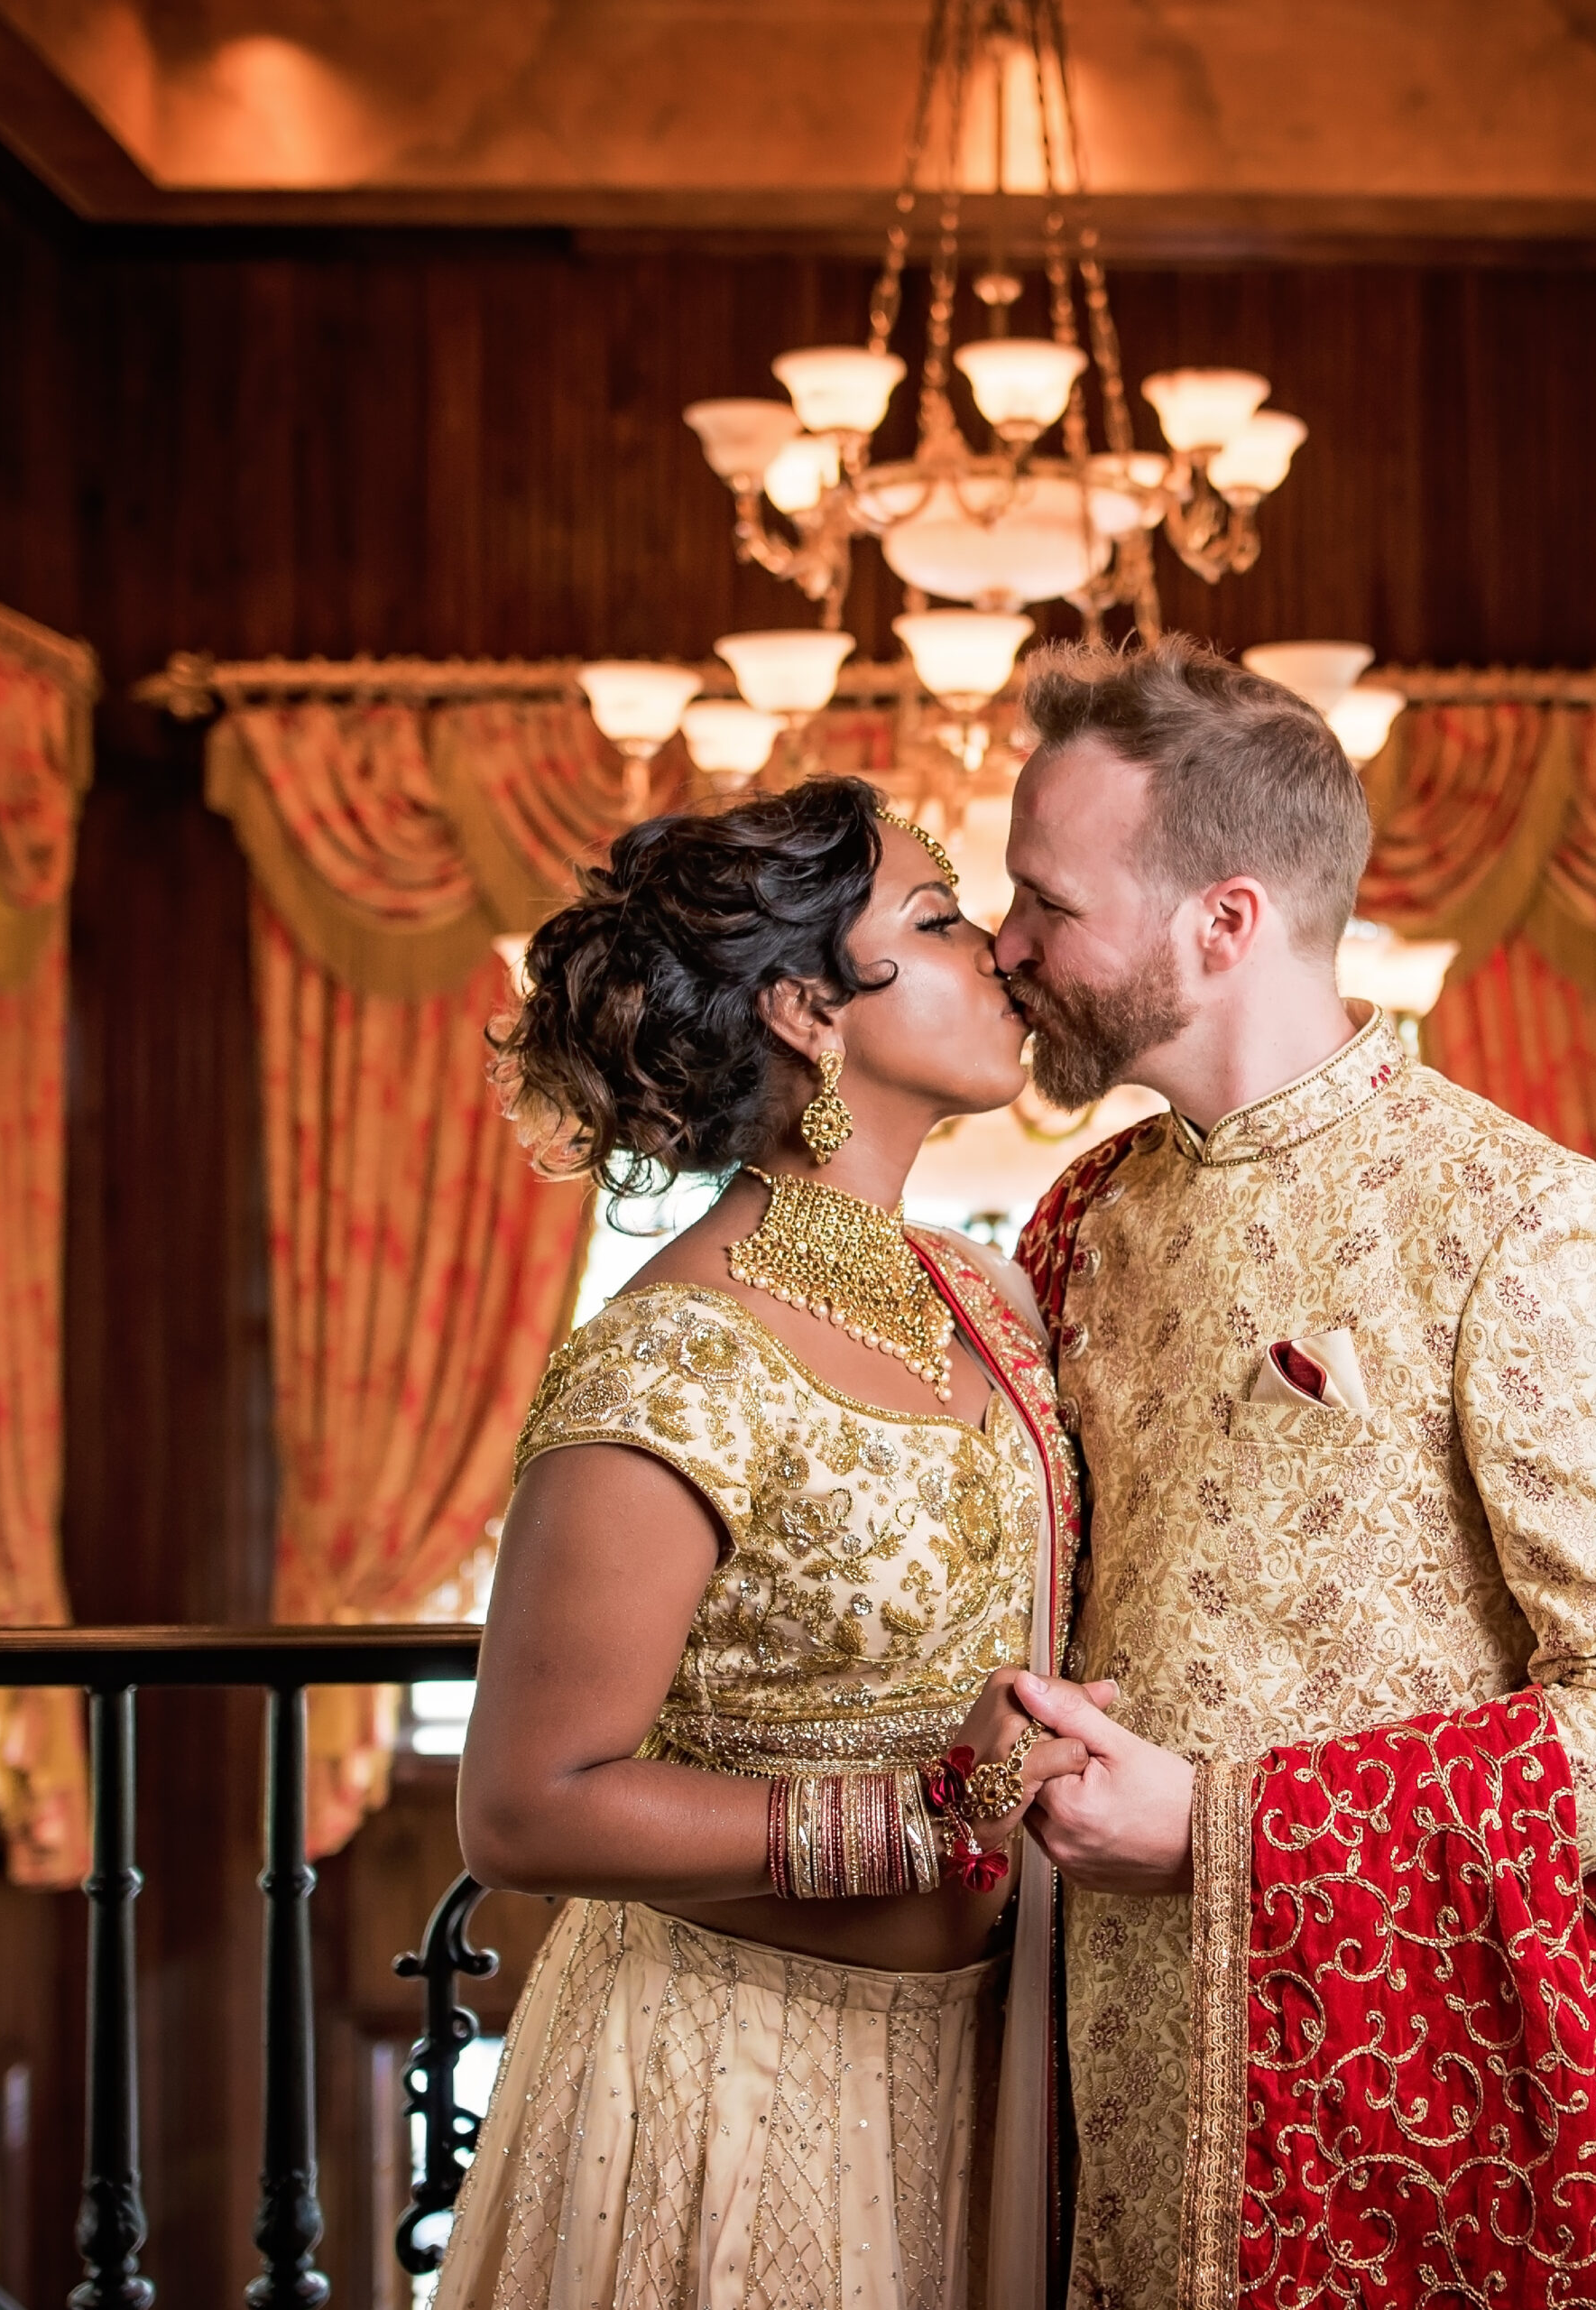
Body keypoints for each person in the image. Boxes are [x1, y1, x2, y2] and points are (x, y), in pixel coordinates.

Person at [991, 638, 1596, 2308]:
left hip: (1427, 2094)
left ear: (1223, 922)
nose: (1006, 947)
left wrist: (1228, 1830)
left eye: (1046, 904)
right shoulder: (1080, 1221)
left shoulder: (1522, 1220)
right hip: (1113, 2075)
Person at [438, 778, 1087, 2310]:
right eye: (939, 920)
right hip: (728, 2085)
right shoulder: (676, 1359)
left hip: (989, 2071)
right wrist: (916, 1820)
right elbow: (525, 1810)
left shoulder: (986, 1300)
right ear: (809, 1011)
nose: (999, 950)